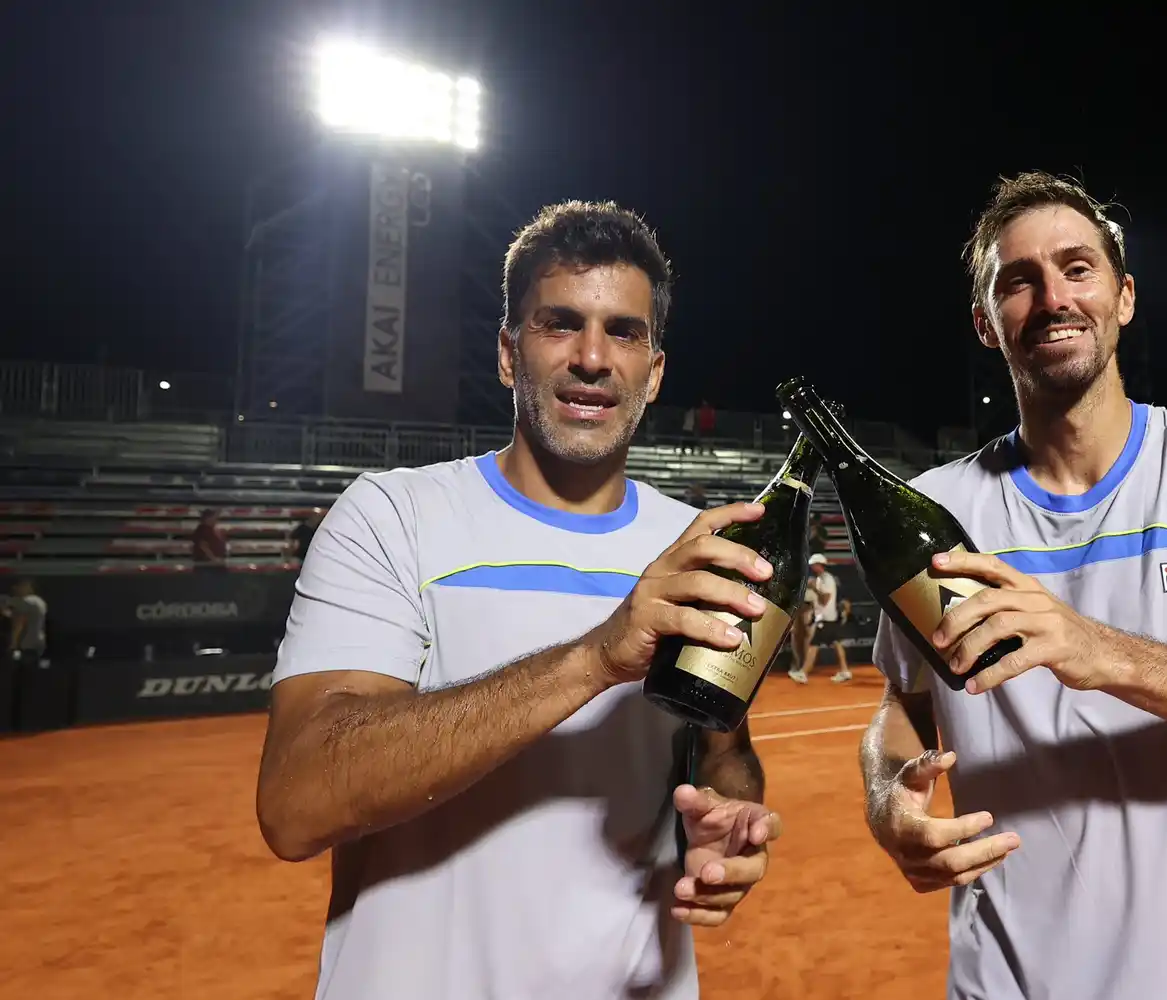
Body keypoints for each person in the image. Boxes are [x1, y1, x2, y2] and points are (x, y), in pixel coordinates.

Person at [255, 201, 781, 1000]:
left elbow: (721, 764)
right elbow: (297, 802)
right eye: (559, 323)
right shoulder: (394, 515)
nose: (594, 357)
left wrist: (727, 818)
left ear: (656, 370)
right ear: (508, 353)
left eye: (625, 332)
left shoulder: (697, 545)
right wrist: (594, 656)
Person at [860, 171, 1167, 1000]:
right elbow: (904, 706)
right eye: (1019, 281)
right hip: (1009, 979)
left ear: (1123, 297)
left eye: (1078, 269)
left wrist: (1095, 648)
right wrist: (888, 802)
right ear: (986, 323)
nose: (1054, 298)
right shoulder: (941, 507)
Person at [789, 553, 853, 684]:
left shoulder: (826, 579)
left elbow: (824, 600)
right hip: (828, 617)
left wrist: (814, 588)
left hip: (825, 619)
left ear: (820, 565)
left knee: (814, 644)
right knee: (837, 643)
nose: (812, 567)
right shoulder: (822, 578)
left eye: (814, 565)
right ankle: (845, 670)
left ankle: (803, 673)